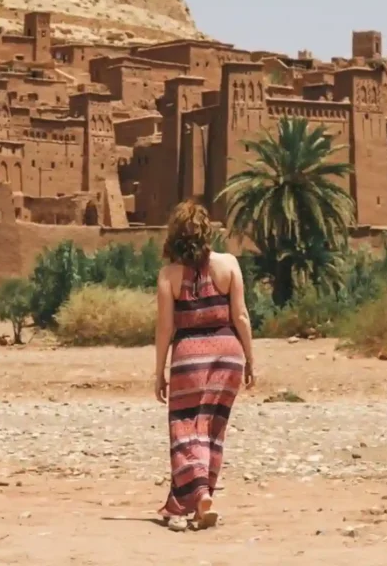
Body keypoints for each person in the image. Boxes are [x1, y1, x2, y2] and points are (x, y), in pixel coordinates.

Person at [154, 199, 255, 529]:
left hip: (189, 357)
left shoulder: (169, 275)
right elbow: (240, 315)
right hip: (229, 354)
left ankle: (199, 495)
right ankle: (199, 499)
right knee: (212, 429)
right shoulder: (229, 264)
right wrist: (250, 359)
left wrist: (159, 372)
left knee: (185, 428)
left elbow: (166, 327)